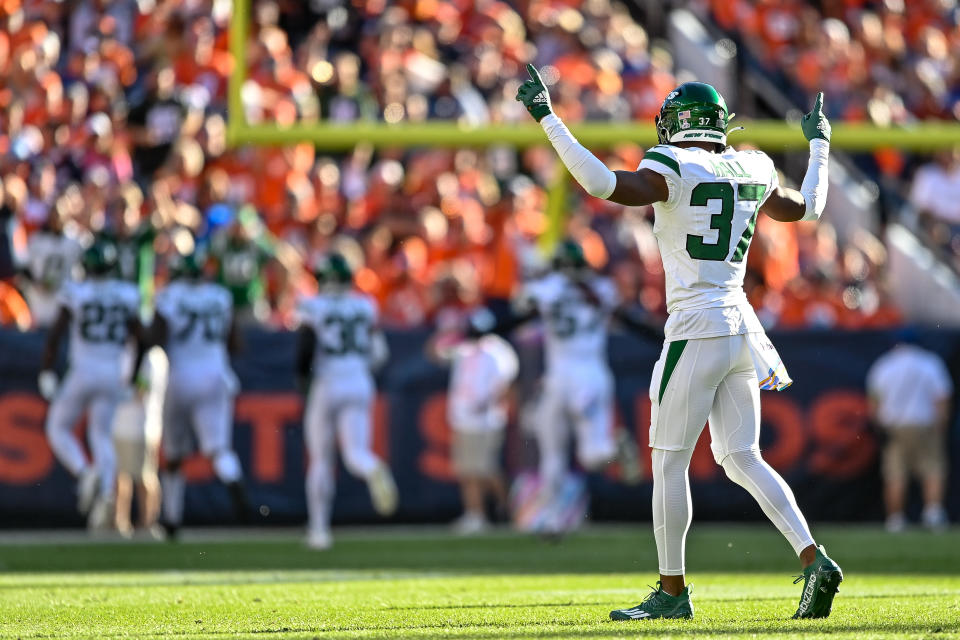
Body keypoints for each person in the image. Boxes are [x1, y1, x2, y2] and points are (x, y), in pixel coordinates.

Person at [517, 69, 842, 619]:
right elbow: (808, 208)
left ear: (677, 125)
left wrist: (548, 118)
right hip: (742, 326)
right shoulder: (754, 165)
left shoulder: (672, 165)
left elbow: (602, 185)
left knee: (669, 464)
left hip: (695, 327)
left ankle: (671, 592)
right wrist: (819, 143)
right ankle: (814, 559)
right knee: (742, 457)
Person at [510, 239, 651, 534]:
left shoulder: (548, 288)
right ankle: (615, 448)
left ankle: (549, 517)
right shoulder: (600, 289)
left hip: (559, 376)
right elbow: (630, 319)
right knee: (590, 455)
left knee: (553, 456)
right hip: (590, 374)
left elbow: (516, 312)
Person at [39, 240, 147, 530]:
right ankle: (107, 493)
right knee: (101, 434)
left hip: (82, 370)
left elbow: (55, 335)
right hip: (112, 372)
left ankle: (85, 472)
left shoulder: (76, 291)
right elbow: (143, 338)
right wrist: (134, 376)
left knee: (58, 427)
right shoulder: (126, 293)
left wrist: (47, 371)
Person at [295, 252, 398, 550]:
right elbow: (380, 354)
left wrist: (303, 382)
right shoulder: (365, 306)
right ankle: (372, 468)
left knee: (320, 460)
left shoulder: (312, 306)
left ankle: (319, 531)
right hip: (358, 379)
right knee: (356, 454)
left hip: (327, 381)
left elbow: (304, 349)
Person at [153, 248, 248, 536]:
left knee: (173, 452)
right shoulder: (219, 297)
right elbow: (235, 343)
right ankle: (232, 478)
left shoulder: (169, 296)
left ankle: (171, 519)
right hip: (216, 374)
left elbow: (156, 338)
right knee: (218, 449)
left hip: (180, 375)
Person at [867, 332, 953, 532]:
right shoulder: (931, 363)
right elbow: (941, 399)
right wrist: (941, 427)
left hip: (894, 427)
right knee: (933, 469)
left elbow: (874, 403)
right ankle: (933, 514)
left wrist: (879, 428)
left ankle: (895, 519)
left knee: (895, 473)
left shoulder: (884, 365)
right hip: (926, 424)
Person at [443, 308, 519, 535]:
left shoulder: (498, 351)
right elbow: (434, 353)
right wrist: (446, 331)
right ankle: (475, 515)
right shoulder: (464, 348)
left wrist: (489, 404)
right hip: (463, 418)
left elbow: (506, 384)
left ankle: (512, 511)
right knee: (467, 471)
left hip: (487, 420)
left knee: (486, 470)